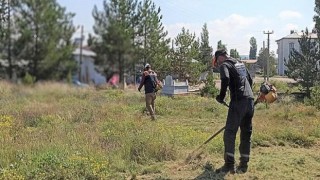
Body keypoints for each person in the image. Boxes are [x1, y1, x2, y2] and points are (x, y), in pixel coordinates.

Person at [213, 49, 255, 174]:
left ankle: (229, 165)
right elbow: (250, 80)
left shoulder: (225, 65)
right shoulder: (240, 63)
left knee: (229, 133)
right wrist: (248, 95)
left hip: (238, 102)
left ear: (220, 57)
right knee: (246, 133)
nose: (218, 64)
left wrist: (221, 97)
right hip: (250, 101)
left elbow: (225, 78)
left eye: (217, 61)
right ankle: (243, 165)